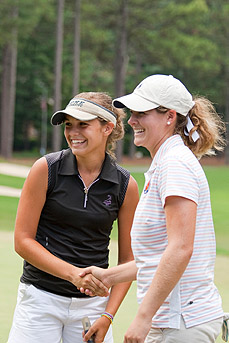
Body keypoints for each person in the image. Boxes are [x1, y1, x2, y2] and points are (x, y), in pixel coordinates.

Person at [80, 75, 226, 343]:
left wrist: (143, 318)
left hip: (181, 322)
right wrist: (109, 276)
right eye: (133, 113)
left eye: (141, 113)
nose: (132, 120)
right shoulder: (167, 162)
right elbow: (158, 259)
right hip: (177, 321)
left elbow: (180, 249)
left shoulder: (175, 164)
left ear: (170, 117)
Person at [8, 92, 139, 343]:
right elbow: (23, 241)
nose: (73, 132)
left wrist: (107, 316)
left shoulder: (124, 185)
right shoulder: (46, 169)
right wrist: (73, 274)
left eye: (83, 124)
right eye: (69, 124)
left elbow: (127, 261)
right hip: (40, 299)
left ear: (107, 128)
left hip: (92, 308)